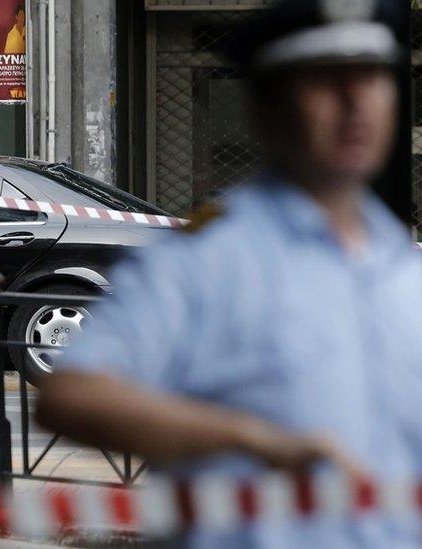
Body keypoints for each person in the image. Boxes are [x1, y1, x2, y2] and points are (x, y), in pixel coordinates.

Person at [35, 0, 417, 546]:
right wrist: (252, 439)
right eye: (325, 81)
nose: (356, 102)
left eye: (372, 77)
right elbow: (70, 396)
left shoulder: (405, 270)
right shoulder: (206, 261)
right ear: (265, 111)